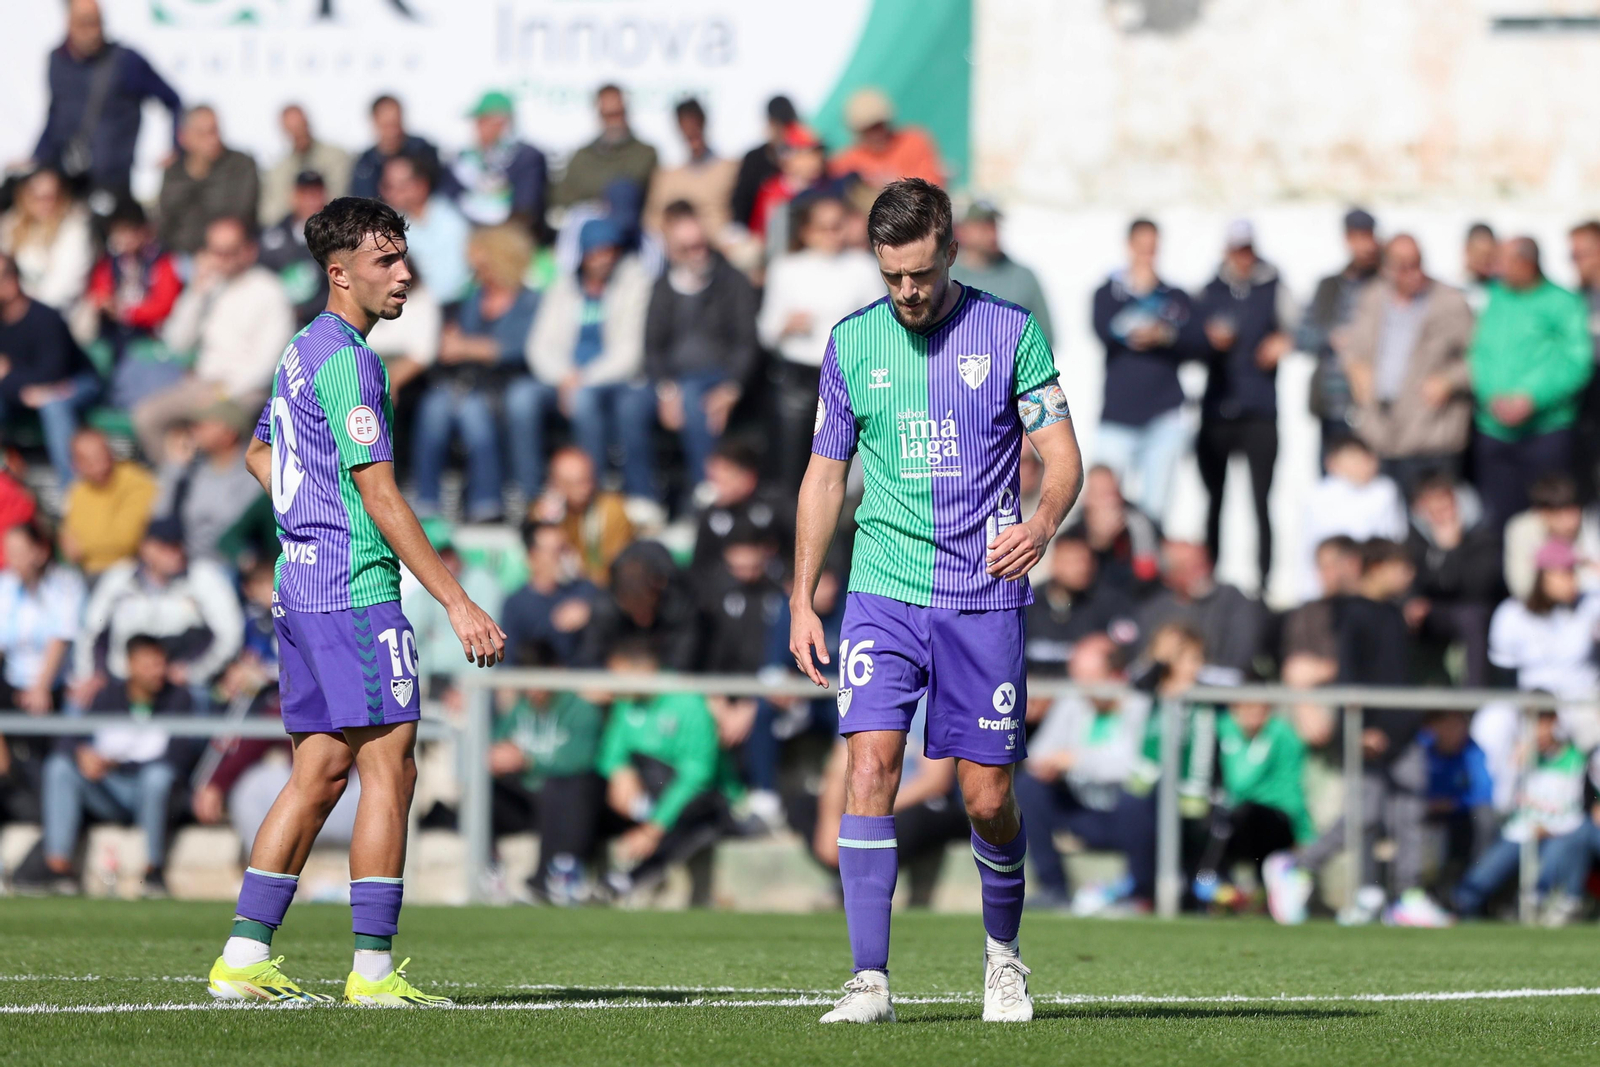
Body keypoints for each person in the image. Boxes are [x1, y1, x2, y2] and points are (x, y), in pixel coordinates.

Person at [792, 179, 1084, 1024]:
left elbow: (1063, 458)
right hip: (882, 590)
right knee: (870, 763)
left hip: (982, 597)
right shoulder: (851, 344)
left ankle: (1003, 958)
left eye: (920, 273)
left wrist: (1043, 522)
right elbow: (824, 475)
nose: (908, 291)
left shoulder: (1011, 333)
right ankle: (870, 980)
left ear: (951, 250)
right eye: (893, 278)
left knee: (986, 795)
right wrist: (803, 597)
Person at [207, 197, 504, 1007]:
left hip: (299, 586)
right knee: (391, 768)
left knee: (321, 768)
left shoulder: (301, 350)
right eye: (385, 260)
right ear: (340, 274)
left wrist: (305, 514)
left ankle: (241, 956)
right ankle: (372, 973)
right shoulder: (349, 360)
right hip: (351, 590)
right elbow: (381, 494)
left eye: (403, 256)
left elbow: (258, 451)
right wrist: (459, 603)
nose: (403, 271)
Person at [37, 635, 192, 897]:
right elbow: (70, 739)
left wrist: (115, 761)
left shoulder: (178, 698)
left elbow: (178, 757)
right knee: (59, 768)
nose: (157, 672)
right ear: (130, 665)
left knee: (157, 778)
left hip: (151, 793)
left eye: (160, 664)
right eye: (148, 665)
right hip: (109, 790)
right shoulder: (107, 695)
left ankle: (153, 872)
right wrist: (82, 754)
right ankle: (57, 870)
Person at [1014, 633, 1156, 912]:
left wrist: (1076, 760)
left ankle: (1141, 894)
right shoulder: (1075, 702)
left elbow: (1134, 766)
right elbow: (1039, 754)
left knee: (1137, 798)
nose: (1082, 687)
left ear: (1116, 675)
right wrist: (1050, 765)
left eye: (1090, 678)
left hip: (1130, 815)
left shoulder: (1141, 706)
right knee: (1028, 787)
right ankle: (1054, 888)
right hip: (1085, 812)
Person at [1194, 220, 1299, 588]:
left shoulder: (1273, 285)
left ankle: (1265, 580)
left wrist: (1283, 341)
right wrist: (1208, 341)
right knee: (1214, 500)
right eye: (1237, 249)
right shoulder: (1209, 290)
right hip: (1217, 409)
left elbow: (1300, 327)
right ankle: (1210, 578)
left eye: (1248, 249)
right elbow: (1191, 337)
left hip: (1259, 410)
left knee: (1261, 502)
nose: (1243, 257)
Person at [138, 217, 294, 463]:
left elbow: (269, 363)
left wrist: (223, 393)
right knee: (146, 416)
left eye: (227, 252)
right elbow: (176, 342)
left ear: (248, 251)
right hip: (203, 383)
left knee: (209, 428)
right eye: (214, 251)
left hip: (246, 390)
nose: (219, 260)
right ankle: (177, 486)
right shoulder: (209, 288)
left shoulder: (269, 291)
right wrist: (196, 294)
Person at [411, 224, 539, 522]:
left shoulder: (529, 301)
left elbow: (520, 349)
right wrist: (462, 345)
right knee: (434, 406)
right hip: (469, 381)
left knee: (474, 412)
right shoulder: (472, 299)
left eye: (483, 265)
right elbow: (452, 345)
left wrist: (470, 347)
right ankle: (427, 497)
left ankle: (487, 500)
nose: (477, 271)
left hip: (509, 383)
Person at [758, 193, 883, 490]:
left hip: (849, 376)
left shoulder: (862, 267)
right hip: (799, 380)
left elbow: (879, 323)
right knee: (794, 467)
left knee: (846, 470)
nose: (832, 235)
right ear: (806, 231)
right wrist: (786, 326)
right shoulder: (787, 268)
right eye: (823, 227)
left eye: (838, 226)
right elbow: (766, 330)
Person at [526, 216, 655, 504]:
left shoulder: (634, 282)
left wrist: (581, 381)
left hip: (614, 379)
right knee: (520, 399)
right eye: (597, 252)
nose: (604, 260)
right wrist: (564, 377)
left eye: (610, 252)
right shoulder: (563, 286)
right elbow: (539, 346)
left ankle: (589, 493)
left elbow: (629, 354)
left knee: (586, 401)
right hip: (564, 378)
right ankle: (532, 495)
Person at [1469, 236, 1592, 529]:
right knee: (1498, 520)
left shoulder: (1563, 302)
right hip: (1494, 430)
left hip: (1545, 431)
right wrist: (1490, 395)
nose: (1497, 268)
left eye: (1504, 261)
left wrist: (1533, 399)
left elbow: (1576, 362)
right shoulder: (1496, 298)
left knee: (1548, 521)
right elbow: (1479, 353)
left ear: (1526, 263)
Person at [597, 639, 734, 900]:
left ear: (645, 670)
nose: (613, 685)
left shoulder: (689, 703)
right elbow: (610, 753)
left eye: (619, 676)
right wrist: (619, 771)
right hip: (651, 798)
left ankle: (634, 877)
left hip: (701, 799)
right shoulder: (627, 701)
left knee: (695, 817)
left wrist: (653, 828)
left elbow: (697, 776)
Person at [1340, 234, 1475, 493]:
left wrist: (1450, 380)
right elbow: (1356, 348)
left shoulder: (1449, 301)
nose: (1413, 274)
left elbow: (1479, 358)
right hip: (1382, 433)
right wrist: (1356, 371)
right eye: (1403, 266)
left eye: (1417, 264)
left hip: (1431, 435)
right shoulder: (1373, 298)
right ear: (1385, 267)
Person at [1090, 218, 1199, 524]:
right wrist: (1142, 309)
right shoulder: (1109, 292)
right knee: (1104, 502)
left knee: (1156, 510)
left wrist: (1167, 335)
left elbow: (1197, 342)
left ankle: (1147, 567)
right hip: (1118, 414)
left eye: (1152, 249)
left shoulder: (1176, 296)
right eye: (1142, 248)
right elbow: (1104, 329)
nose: (1147, 255)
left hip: (1164, 415)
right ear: (1129, 247)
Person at [646, 202, 759, 494]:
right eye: (687, 248)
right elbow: (653, 347)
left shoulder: (732, 281)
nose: (697, 254)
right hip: (674, 379)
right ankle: (643, 498)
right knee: (629, 406)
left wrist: (731, 388)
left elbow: (747, 342)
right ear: (672, 250)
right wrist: (665, 390)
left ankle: (705, 489)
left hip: (717, 375)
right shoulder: (662, 287)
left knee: (696, 401)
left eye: (700, 245)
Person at [29, 0, 182, 205]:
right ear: (69, 22)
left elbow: (174, 101)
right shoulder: (57, 60)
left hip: (111, 184)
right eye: (86, 23)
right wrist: (36, 162)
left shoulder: (126, 61)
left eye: (98, 22)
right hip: (65, 181)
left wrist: (177, 148)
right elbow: (55, 117)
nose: (94, 31)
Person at [75, 516, 243, 694]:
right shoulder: (119, 578)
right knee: (82, 702)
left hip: (183, 684)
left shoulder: (204, 578)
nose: (175, 553)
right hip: (121, 682)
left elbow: (229, 634)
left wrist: (195, 672)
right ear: (146, 548)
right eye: (166, 547)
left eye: (178, 545)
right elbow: (91, 631)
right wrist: (89, 676)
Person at [1452, 710, 1594, 922]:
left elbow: (1575, 809)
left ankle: (1554, 902)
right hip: (1519, 832)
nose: (1537, 732)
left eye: (1541, 724)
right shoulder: (1523, 757)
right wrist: (1514, 769)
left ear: (1554, 723)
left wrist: (1549, 828)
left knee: (1552, 869)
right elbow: (1502, 804)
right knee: (1475, 885)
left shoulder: (1576, 758)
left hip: (1559, 833)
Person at [490, 643, 605, 902]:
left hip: (567, 801)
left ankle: (555, 877)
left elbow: (580, 760)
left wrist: (528, 761)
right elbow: (498, 746)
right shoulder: (520, 708)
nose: (532, 689)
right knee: (483, 789)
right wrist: (496, 758)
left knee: (564, 786)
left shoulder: (581, 709)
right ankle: (490, 869)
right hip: (526, 800)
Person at [1194, 699, 1312, 904]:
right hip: (1229, 817)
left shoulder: (1282, 736)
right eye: (1246, 706)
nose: (1253, 713)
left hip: (1271, 820)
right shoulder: (1219, 728)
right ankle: (1209, 886)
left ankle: (1262, 892)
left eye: (1260, 707)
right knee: (1208, 821)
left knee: (1246, 816)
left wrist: (1305, 833)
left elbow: (1290, 787)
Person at [1488, 539, 1600, 749]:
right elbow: (1504, 678)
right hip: (1531, 706)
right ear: (1543, 576)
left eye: (1573, 571)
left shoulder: (1591, 605)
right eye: (1564, 573)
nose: (1573, 580)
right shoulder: (1511, 614)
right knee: (1493, 721)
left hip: (1581, 703)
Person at [0, 251, 98, 486]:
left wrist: (9, 377)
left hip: (77, 381)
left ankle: (72, 496)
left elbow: (52, 374)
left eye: (4, 275)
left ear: (14, 280)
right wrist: (21, 388)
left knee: (54, 404)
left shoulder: (46, 318)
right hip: (24, 392)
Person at [83, 200, 185, 409]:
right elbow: (98, 289)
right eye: (118, 233)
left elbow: (165, 305)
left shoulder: (163, 261)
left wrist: (127, 312)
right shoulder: (110, 262)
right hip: (113, 336)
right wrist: (104, 302)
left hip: (150, 338)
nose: (124, 239)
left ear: (144, 231)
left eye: (129, 232)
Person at [1406, 476, 1503, 687]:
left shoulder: (1482, 537)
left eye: (1446, 508)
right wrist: (1412, 601)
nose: (1441, 517)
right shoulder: (1412, 539)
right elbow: (1408, 579)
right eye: (1433, 511)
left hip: (1467, 610)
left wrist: (1450, 550)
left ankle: (1474, 697)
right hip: (1428, 613)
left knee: (1472, 618)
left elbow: (1476, 588)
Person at [1299, 208, 1382, 452]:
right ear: (1347, 239)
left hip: (1374, 407)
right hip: (1332, 408)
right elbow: (1301, 337)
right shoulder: (1328, 287)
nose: (1365, 245)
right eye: (1358, 237)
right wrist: (1331, 337)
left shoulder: (1386, 284)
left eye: (1368, 236)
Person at [1296, 435, 1407, 602]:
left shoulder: (1385, 491)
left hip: (1372, 579)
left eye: (1366, 458)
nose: (1365, 464)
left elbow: (1394, 538)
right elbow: (1310, 547)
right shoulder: (1318, 496)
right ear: (1334, 463)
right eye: (1354, 458)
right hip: (1331, 583)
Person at [1135, 540, 1266, 679]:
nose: (1201, 573)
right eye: (1188, 568)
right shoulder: (1153, 610)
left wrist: (1192, 672)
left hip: (1218, 693)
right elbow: (1139, 667)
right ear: (1168, 577)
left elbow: (1240, 663)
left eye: (1202, 563)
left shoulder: (1233, 600)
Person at [151, 400, 263, 563]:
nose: (194, 431)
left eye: (202, 425)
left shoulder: (255, 473)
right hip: (189, 566)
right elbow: (160, 516)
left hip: (237, 569)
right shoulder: (190, 471)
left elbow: (238, 526)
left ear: (229, 433)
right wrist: (174, 468)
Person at [1023, 532, 1141, 676]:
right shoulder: (1029, 603)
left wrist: (1109, 650)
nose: (1081, 568)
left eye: (1086, 561)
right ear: (1054, 562)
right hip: (1035, 692)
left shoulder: (1109, 602)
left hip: (1089, 693)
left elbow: (1130, 648)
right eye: (1073, 561)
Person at [0, 519, 84, 717]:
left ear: (41, 551)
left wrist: (40, 687)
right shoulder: (5, 584)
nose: (14, 560)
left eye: (20, 552)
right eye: (9, 552)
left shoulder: (66, 583)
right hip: (13, 681)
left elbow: (60, 638)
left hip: (57, 684)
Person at [575, 540, 697, 671]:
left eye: (647, 609)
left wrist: (654, 669)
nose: (643, 621)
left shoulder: (679, 606)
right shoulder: (605, 609)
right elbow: (589, 660)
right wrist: (612, 670)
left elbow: (682, 663)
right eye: (634, 611)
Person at [157, 106, 260, 256]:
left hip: (230, 255)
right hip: (181, 255)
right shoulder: (173, 173)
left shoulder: (241, 165)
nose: (212, 140)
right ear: (183, 137)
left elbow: (242, 215)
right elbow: (164, 222)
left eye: (214, 131)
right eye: (202, 134)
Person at [952, 199, 1054, 345]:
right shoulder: (946, 276)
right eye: (983, 227)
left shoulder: (1022, 277)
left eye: (994, 226)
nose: (992, 234)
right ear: (962, 231)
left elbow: (1046, 337)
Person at [529, 446, 635, 586]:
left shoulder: (612, 510)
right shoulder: (544, 514)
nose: (587, 488)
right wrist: (547, 523)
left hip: (600, 588)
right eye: (578, 483)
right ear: (557, 485)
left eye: (589, 480)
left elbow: (617, 565)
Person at [643, 98, 739, 247]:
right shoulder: (666, 177)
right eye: (685, 127)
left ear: (704, 124)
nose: (691, 132)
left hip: (721, 247)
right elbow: (653, 221)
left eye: (695, 126)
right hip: (678, 251)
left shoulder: (730, 169)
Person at [59, 427, 155, 577]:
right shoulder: (77, 491)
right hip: (86, 574)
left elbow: (126, 541)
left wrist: (83, 546)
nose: (99, 465)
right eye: (88, 461)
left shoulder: (137, 481)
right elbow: (68, 544)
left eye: (101, 456)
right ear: (75, 465)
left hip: (128, 572)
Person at [377, 154, 471, 305]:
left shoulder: (451, 221)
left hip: (454, 306)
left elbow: (453, 284)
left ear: (421, 185)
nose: (389, 193)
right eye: (387, 185)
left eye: (399, 186)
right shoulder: (391, 226)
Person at [501, 521, 598, 666]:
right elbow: (507, 662)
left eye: (567, 549)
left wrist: (591, 610)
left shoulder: (586, 591)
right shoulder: (516, 604)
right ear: (533, 557)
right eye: (557, 551)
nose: (565, 557)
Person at [450, 90, 549, 233]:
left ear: (503, 124)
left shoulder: (527, 158)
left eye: (483, 122)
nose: (477, 129)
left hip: (510, 237)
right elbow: (449, 200)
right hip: (468, 235)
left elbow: (526, 208)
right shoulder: (463, 159)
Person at [1063, 464, 1163, 599]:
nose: (1111, 502)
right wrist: (1098, 544)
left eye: (1114, 493)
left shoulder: (1139, 523)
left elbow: (1147, 577)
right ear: (1086, 498)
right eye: (1103, 495)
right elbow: (1070, 580)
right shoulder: (1073, 531)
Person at [0, 167, 93, 311]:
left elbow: (64, 286)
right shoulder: (11, 225)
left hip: (56, 316)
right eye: (37, 197)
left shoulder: (74, 228)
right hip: (13, 313)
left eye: (51, 197)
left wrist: (27, 313)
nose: (45, 204)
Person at [553, 85, 659, 211]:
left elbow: (632, 186)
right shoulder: (582, 155)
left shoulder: (645, 153)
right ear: (599, 116)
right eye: (608, 116)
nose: (614, 122)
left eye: (617, 114)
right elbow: (564, 196)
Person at [1502, 474, 1600, 602]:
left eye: (1573, 510)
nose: (1570, 521)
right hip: (1538, 610)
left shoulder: (1589, 522)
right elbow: (1521, 587)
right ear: (1542, 513)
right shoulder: (1521, 529)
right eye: (1560, 513)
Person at [828, 88, 946, 189]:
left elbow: (933, 183)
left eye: (879, 125)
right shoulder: (847, 163)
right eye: (868, 130)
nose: (876, 134)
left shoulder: (913, 140)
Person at [258, 171, 331, 328]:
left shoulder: (336, 238)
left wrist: (305, 311)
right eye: (305, 194)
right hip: (276, 319)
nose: (311, 200)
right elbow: (262, 278)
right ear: (294, 196)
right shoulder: (273, 237)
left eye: (316, 194)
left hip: (320, 320)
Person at [258, 104, 351, 226]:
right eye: (292, 129)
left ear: (308, 124)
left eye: (300, 127)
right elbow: (269, 214)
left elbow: (342, 197)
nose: (298, 133)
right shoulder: (277, 170)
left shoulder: (337, 156)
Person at [348, 94, 445, 201]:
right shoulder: (365, 166)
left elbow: (441, 192)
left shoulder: (423, 152)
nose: (392, 132)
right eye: (387, 125)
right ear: (375, 122)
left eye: (395, 124)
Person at [731, 96, 799, 231]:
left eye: (787, 125)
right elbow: (741, 203)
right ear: (769, 123)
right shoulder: (754, 159)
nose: (783, 132)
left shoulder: (802, 156)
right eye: (778, 124)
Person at [1569, 220, 1600, 501]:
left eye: (1582, 253)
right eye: (1572, 254)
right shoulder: (1574, 301)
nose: (1575, 261)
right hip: (1584, 417)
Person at [1462, 222, 1497, 315]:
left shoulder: (1500, 287)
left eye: (1489, 256)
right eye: (1480, 255)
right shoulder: (1450, 285)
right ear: (1467, 249)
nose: (1484, 262)